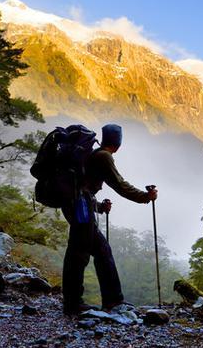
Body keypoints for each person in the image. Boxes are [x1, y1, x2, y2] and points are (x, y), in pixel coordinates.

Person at [62, 123, 158, 315]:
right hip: (81, 206)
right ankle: (75, 303)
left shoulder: (93, 154)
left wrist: (98, 207)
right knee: (79, 253)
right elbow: (120, 185)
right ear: (118, 143)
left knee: (99, 250)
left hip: (78, 204)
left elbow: (83, 186)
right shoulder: (103, 156)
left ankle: (111, 300)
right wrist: (145, 197)